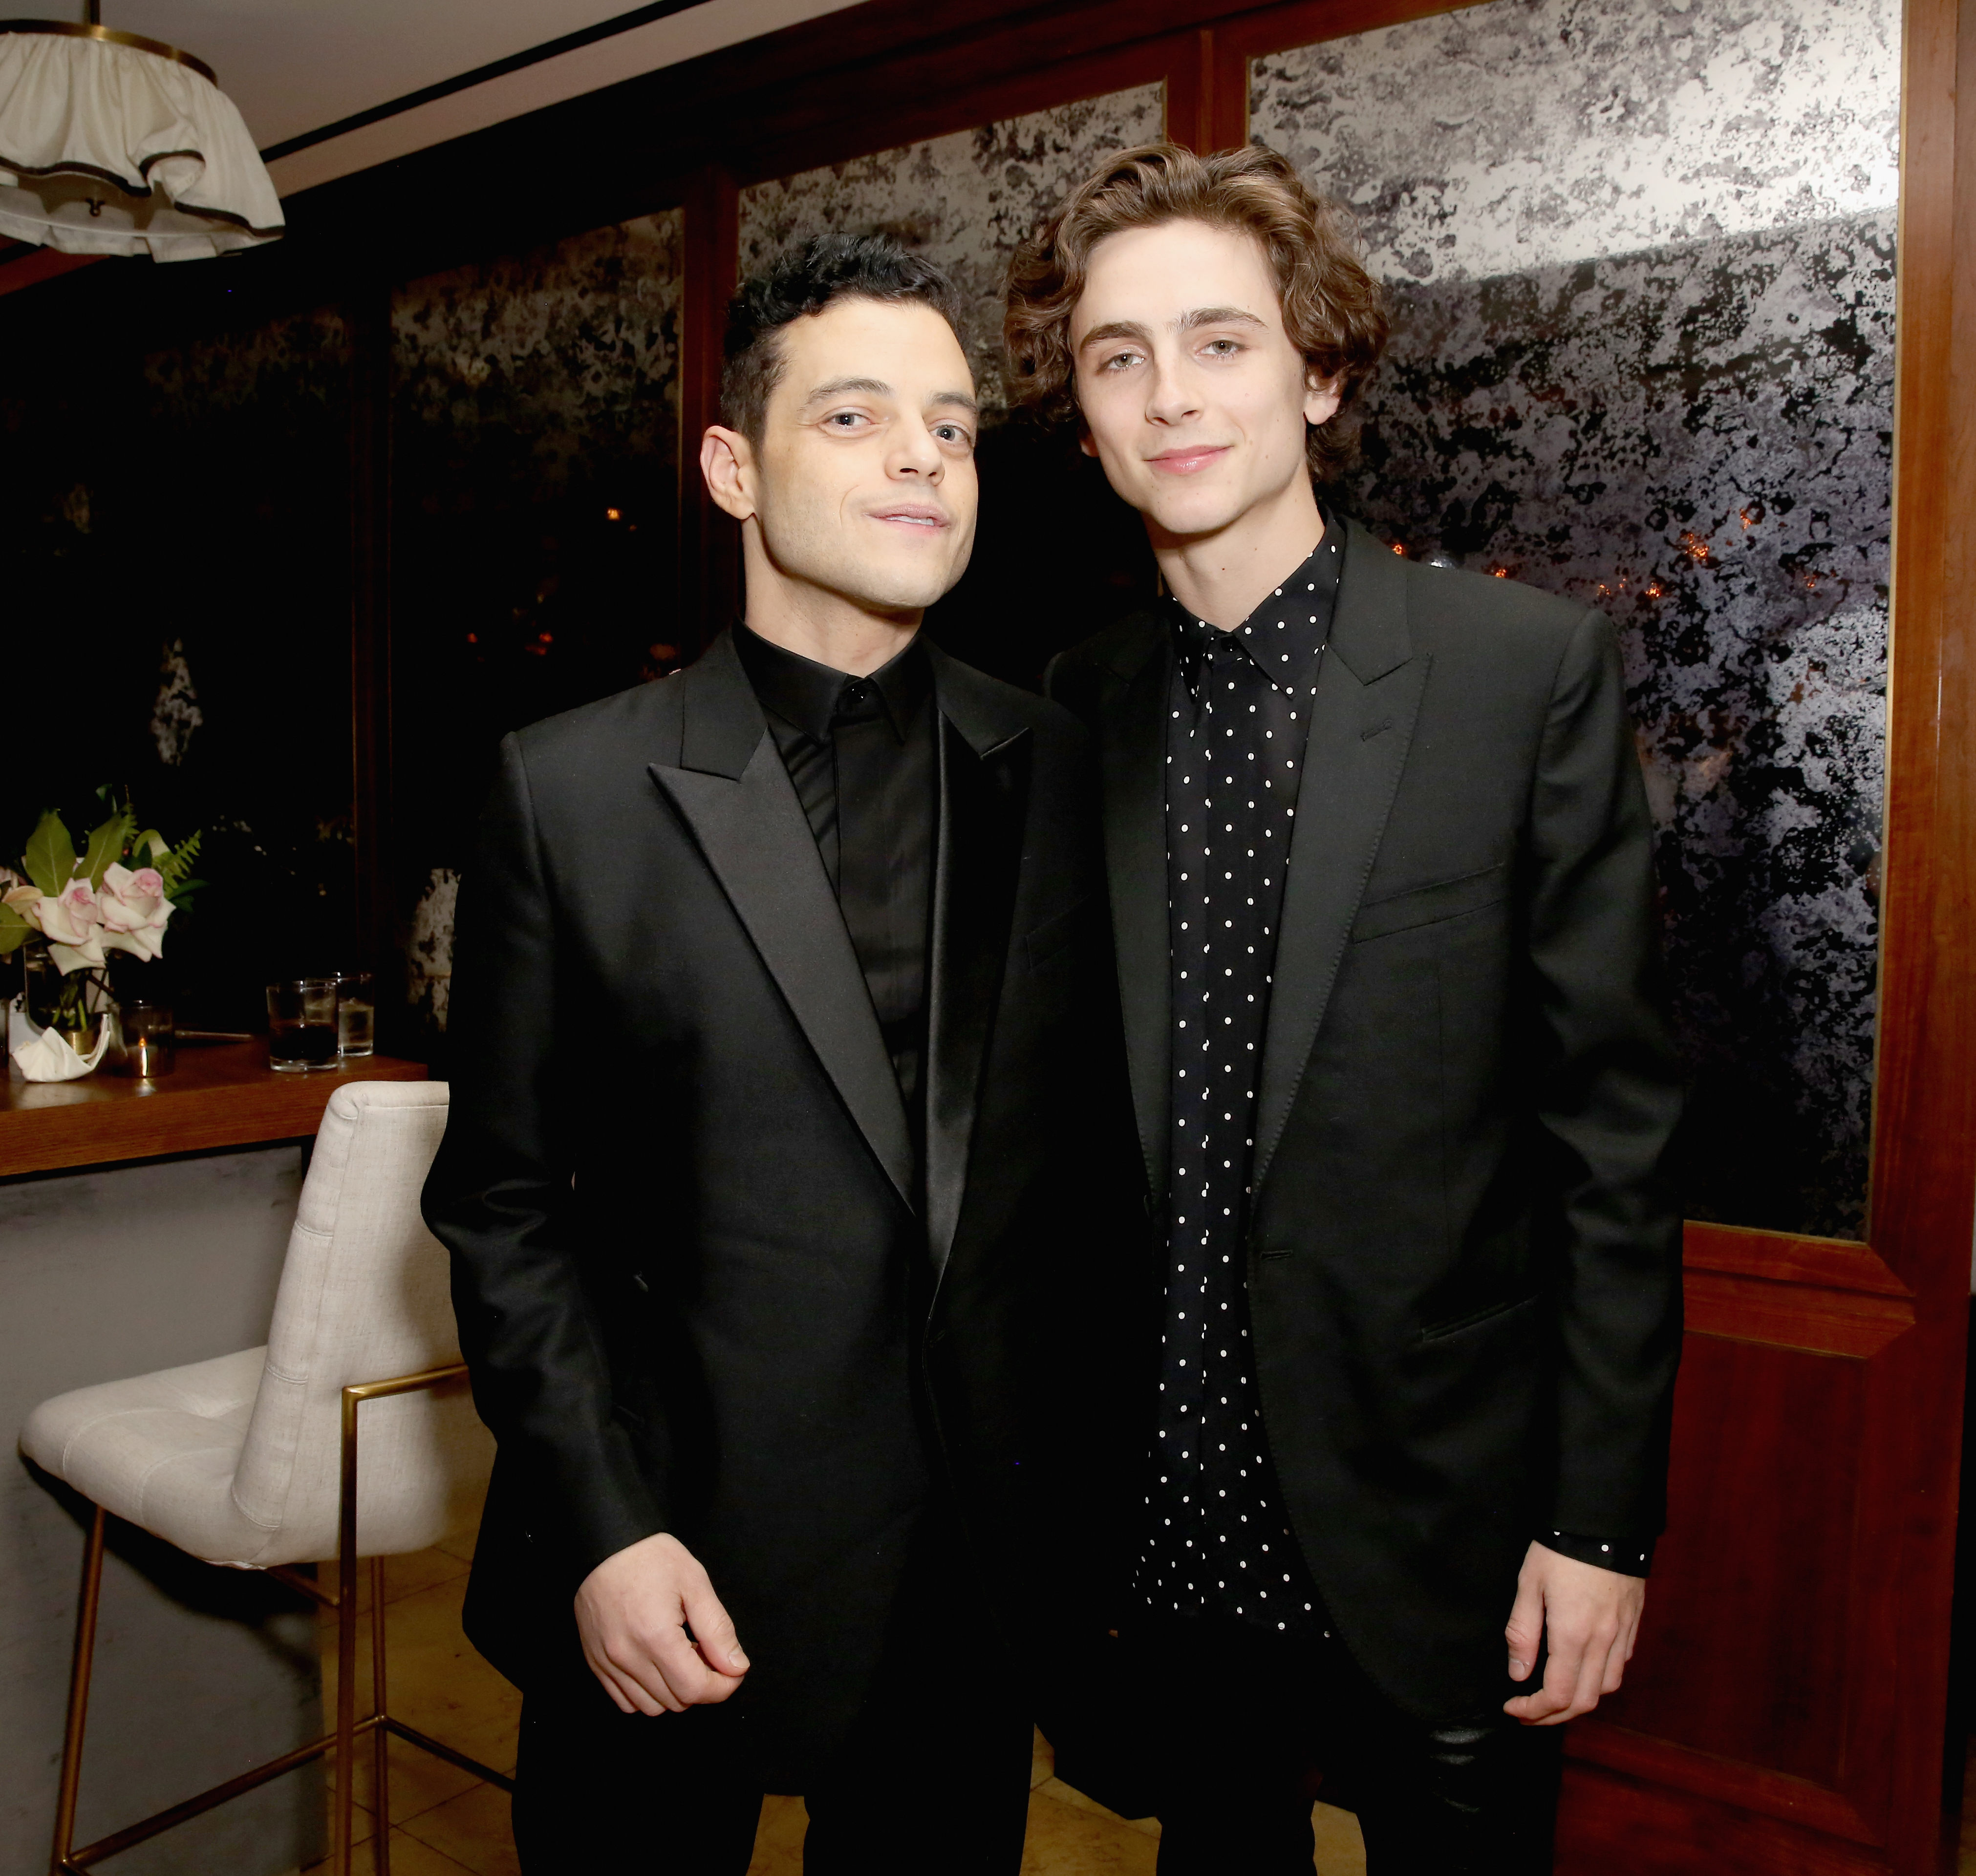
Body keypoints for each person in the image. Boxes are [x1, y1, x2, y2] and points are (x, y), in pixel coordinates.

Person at [1008, 143, 1685, 1873]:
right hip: (1164, 1516)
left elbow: (1607, 1134)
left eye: (1220, 342)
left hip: (1442, 1521)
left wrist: (1597, 1526)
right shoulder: (1066, 713)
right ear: (1080, 413)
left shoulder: (1511, 675)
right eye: (1116, 356)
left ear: (1316, 371)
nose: (1169, 396)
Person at [423, 234, 1134, 1876]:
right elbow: (504, 1208)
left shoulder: (1064, 767)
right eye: (857, 418)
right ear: (732, 466)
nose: (920, 460)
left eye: (952, 428)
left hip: (964, 1589)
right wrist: (605, 1529)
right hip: (667, 1567)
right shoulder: (572, 789)